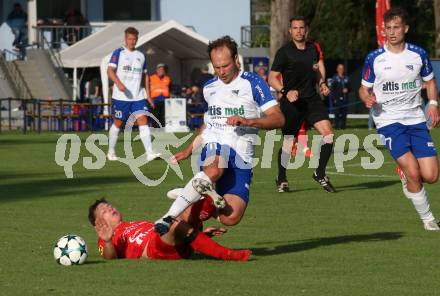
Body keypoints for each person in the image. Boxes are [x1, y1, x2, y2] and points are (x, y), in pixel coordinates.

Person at [154, 35, 285, 235]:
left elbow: (278, 119)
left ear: (236, 60)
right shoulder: (209, 88)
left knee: (230, 217)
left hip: (242, 155)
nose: (221, 72)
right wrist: (189, 150)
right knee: (215, 169)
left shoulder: (253, 83)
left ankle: (192, 192)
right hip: (217, 144)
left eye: (225, 66)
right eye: (217, 67)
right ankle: (167, 217)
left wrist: (250, 121)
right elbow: (209, 123)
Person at [359, 7, 440, 231]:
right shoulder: (374, 58)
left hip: (415, 119)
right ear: (383, 30)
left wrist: (433, 104)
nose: (392, 32)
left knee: (431, 176)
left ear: (405, 28)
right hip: (388, 121)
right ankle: (428, 219)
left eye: (396, 27)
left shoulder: (418, 54)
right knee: (414, 173)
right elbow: (363, 89)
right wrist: (367, 98)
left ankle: (405, 173)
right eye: (388, 28)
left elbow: (430, 82)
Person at [268, 16, 336, 193]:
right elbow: (272, 77)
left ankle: (320, 173)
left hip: (312, 100)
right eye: (295, 28)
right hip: (292, 103)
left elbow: (317, 72)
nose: (298, 31)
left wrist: (322, 84)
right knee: (289, 142)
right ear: (290, 31)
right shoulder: (284, 52)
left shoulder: (313, 49)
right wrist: (285, 91)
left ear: (306, 30)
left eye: (301, 28)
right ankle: (281, 178)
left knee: (328, 135)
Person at [88, 198, 250, 261]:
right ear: (99, 222)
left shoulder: (135, 222)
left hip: (172, 242)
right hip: (153, 250)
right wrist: (108, 240)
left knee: (188, 210)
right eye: (104, 211)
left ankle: (205, 204)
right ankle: (228, 254)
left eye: (109, 206)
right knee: (173, 221)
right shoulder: (105, 238)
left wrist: (200, 236)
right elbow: (110, 258)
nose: (110, 209)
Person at [106, 27, 160, 162]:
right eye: (130, 39)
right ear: (125, 39)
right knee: (118, 123)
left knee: (143, 120)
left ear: (137, 39)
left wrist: (148, 94)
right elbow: (110, 71)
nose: (132, 41)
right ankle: (111, 151)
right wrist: (118, 83)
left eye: (134, 39)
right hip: (121, 96)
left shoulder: (141, 56)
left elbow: (145, 76)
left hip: (138, 96)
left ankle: (149, 152)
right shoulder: (118, 53)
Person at [149, 63, 171, 128]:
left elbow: (170, 89)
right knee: (155, 115)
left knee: (163, 115)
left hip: (164, 99)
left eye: (162, 69)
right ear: (157, 70)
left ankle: (162, 128)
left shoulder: (167, 78)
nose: (161, 71)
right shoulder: (151, 78)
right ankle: (153, 127)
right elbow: (147, 89)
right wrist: (150, 101)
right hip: (155, 100)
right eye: (160, 69)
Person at [330, 63, 350, 129]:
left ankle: (343, 127)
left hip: (345, 100)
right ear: (337, 69)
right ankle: (337, 127)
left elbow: (350, 88)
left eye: (342, 68)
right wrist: (334, 99)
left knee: (344, 115)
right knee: (337, 114)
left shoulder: (346, 78)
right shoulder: (335, 78)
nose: (341, 70)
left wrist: (347, 89)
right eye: (339, 68)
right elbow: (332, 90)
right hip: (337, 99)